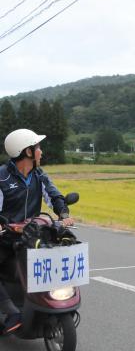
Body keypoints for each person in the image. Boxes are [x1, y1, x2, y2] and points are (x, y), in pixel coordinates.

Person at [0, 129, 75, 335]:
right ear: (28, 152)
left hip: (32, 235)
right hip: (5, 238)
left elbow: (54, 195)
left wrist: (63, 213)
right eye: (38, 147)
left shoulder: (39, 175)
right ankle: (11, 311)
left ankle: (46, 302)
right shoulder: (2, 178)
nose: (41, 151)